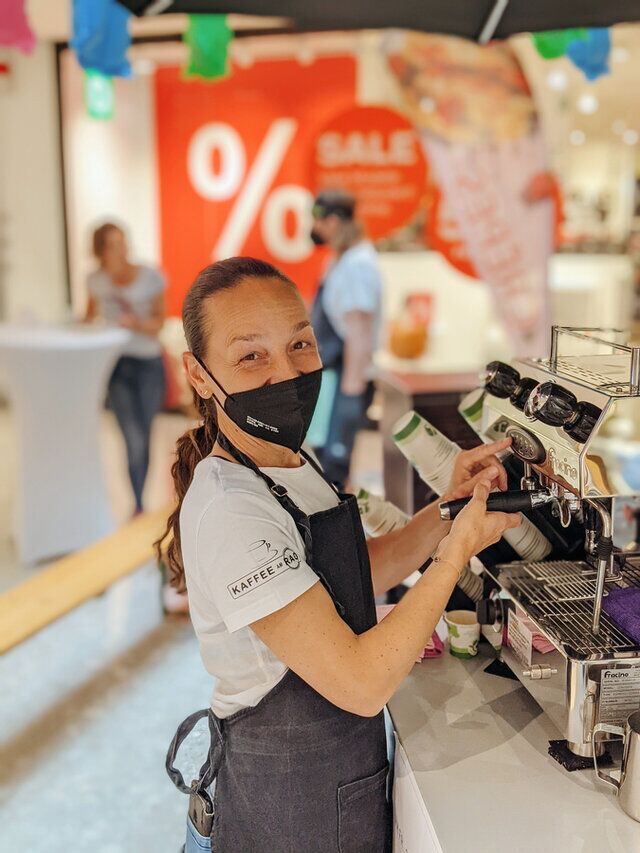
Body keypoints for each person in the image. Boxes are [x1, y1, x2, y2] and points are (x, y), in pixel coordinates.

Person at [158, 256, 520, 852]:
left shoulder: (290, 462)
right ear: (199, 375)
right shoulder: (230, 508)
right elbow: (360, 682)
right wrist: (454, 555)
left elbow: (353, 573)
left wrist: (447, 507)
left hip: (330, 786)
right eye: (251, 355)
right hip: (279, 807)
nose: (285, 373)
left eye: (300, 344)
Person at [85, 222, 166, 516]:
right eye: (111, 245)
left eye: (122, 242)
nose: (119, 250)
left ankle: (140, 496)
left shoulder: (150, 277)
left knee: (144, 435)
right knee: (130, 436)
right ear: (100, 250)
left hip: (148, 364)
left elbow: (159, 323)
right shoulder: (95, 281)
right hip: (116, 366)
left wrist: (137, 324)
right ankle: (138, 504)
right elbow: (89, 317)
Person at [310, 189, 382, 488]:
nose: (314, 229)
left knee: (334, 464)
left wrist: (352, 393)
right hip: (333, 374)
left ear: (335, 221)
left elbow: (359, 329)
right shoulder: (342, 259)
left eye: (318, 221)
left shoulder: (358, 263)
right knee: (322, 453)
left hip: (346, 377)